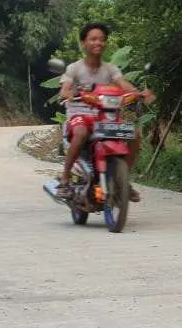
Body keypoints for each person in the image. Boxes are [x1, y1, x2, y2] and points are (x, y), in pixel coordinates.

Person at [55, 22, 155, 200]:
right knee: (80, 133)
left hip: (105, 117)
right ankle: (65, 176)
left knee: (134, 134)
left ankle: (123, 180)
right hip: (80, 115)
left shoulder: (110, 69)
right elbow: (65, 87)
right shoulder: (75, 68)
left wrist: (139, 93)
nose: (98, 43)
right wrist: (68, 92)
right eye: (93, 39)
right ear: (84, 43)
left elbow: (123, 84)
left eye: (102, 39)